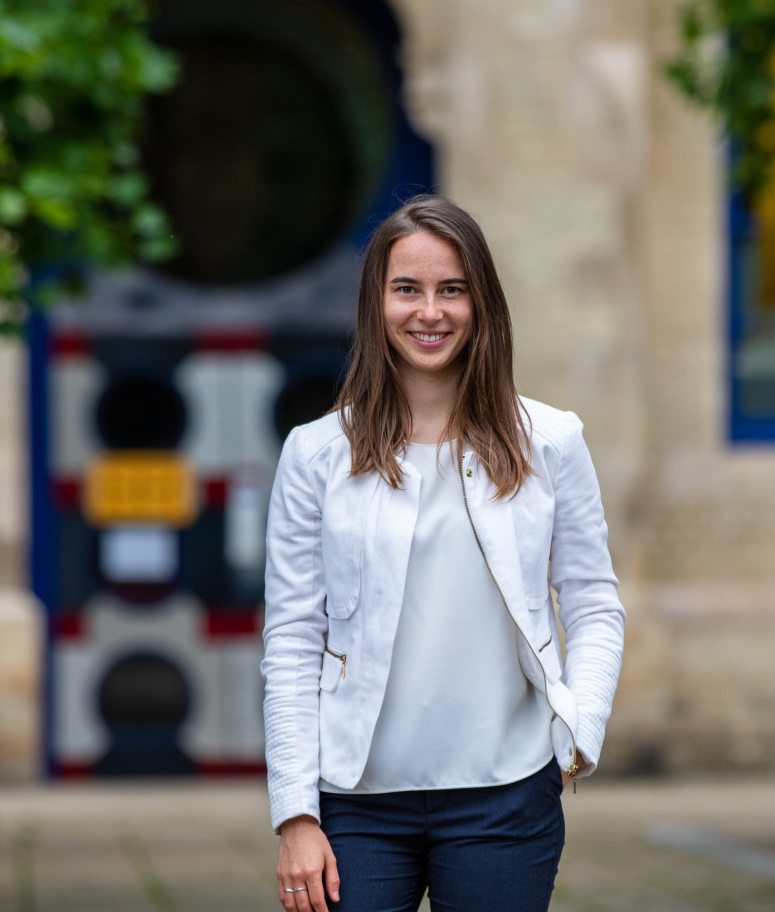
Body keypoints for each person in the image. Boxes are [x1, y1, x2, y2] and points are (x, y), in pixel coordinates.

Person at [261, 195, 625, 912]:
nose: (430, 312)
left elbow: (593, 601)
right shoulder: (315, 454)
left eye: (451, 289)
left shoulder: (551, 443)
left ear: (481, 302)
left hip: (506, 798)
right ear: (377, 303)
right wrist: (295, 814)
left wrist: (579, 732)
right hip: (355, 804)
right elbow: (293, 637)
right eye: (407, 289)